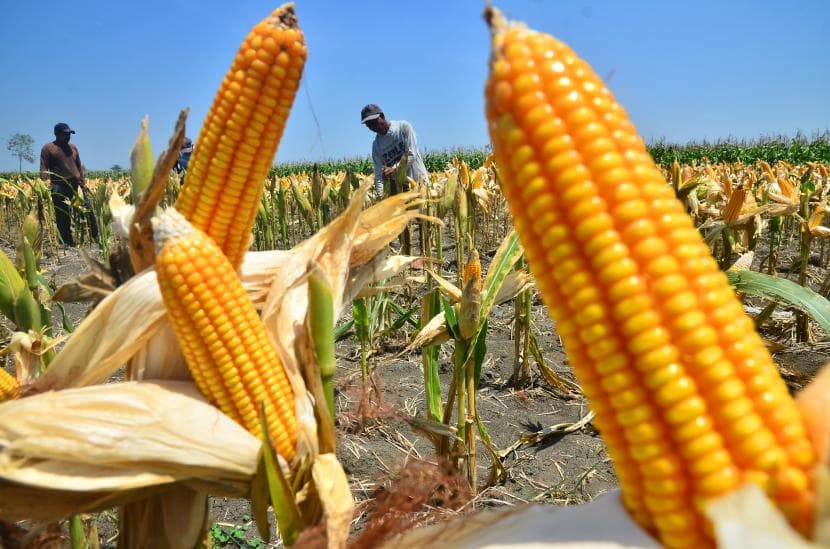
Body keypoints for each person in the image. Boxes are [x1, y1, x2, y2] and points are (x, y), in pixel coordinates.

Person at [40, 123, 99, 248]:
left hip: (76, 185)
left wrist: (82, 182)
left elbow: (79, 165)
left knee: (88, 210)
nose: (68, 136)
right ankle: (67, 241)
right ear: (57, 134)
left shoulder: (73, 147)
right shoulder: (48, 148)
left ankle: (96, 237)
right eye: (65, 134)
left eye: (69, 134)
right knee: (62, 214)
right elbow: (44, 167)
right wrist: (43, 182)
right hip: (58, 185)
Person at [361, 104, 429, 199]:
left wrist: (395, 169)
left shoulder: (403, 128)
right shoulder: (376, 146)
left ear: (382, 116)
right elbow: (379, 175)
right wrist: (380, 197)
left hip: (417, 181)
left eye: (374, 122)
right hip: (398, 192)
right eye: (369, 125)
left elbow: (412, 154)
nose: (373, 127)